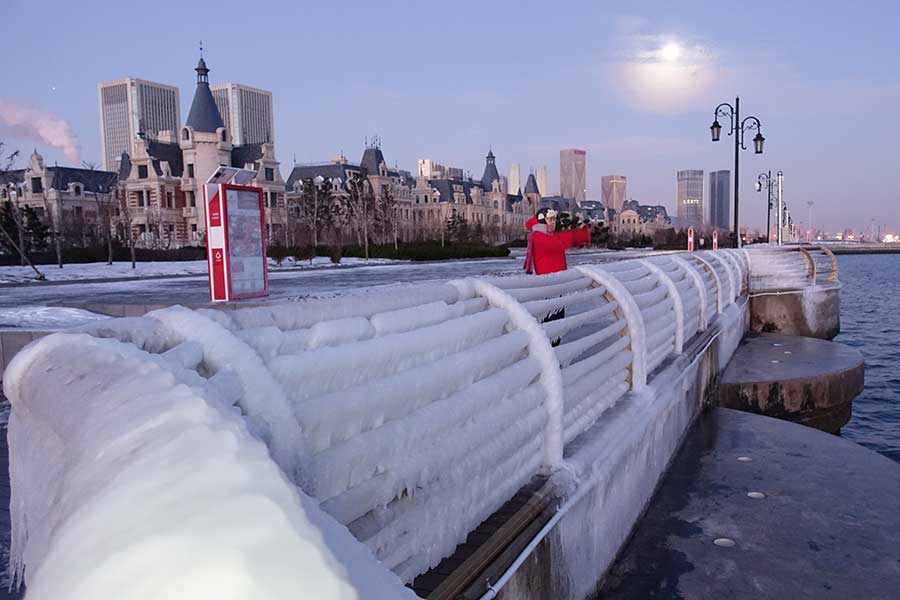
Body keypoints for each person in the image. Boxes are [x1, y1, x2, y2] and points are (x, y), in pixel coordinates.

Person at [524, 208, 591, 275]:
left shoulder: (544, 235)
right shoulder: (538, 236)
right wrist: (584, 234)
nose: (553, 222)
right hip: (549, 280)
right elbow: (559, 242)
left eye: (554, 219)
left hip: (555, 278)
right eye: (550, 219)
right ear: (542, 221)